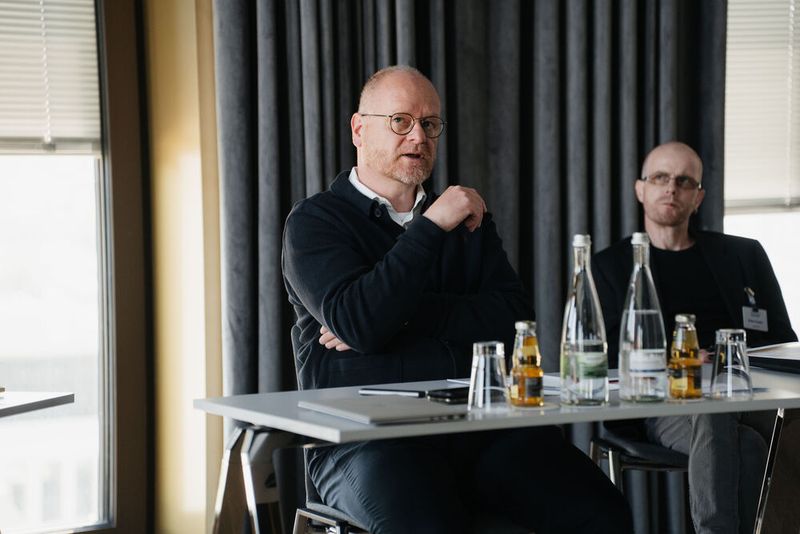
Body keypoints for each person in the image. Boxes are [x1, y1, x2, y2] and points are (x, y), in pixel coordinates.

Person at [283, 65, 633, 534]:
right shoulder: (314, 222)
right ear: (358, 128)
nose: (418, 137)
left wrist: (397, 316)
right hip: (364, 441)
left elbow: (515, 322)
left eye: (430, 124)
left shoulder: (468, 218)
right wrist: (431, 227)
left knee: (602, 513)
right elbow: (361, 322)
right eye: (401, 121)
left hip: (480, 430)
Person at [593, 141, 797, 534]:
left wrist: (729, 361)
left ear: (698, 196)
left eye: (684, 181)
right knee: (738, 432)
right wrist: (681, 363)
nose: (672, 188)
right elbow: (610, 360)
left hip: (752, 391)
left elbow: (784, 339)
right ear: (641, 189)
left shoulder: (743, 255)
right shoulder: (610, 268)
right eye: (661, 178)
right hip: (665, 403)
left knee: (786, 430)